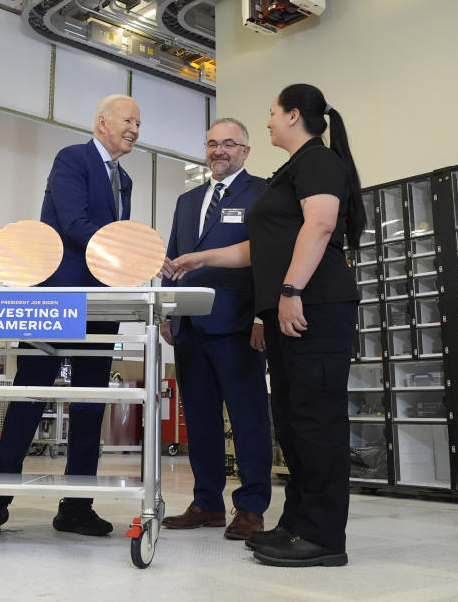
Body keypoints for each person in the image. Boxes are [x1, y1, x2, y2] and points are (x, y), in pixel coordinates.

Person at [166, 84, 363, 567]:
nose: (270, 120)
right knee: (296, 424)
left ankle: (323, 539)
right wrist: (199, 258)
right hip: (286, 309)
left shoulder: (318, 161)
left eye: (273, 114)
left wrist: (291, 291)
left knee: (316, 422)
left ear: (294, 115)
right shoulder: (291, 171)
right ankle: (297, 524)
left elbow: (319, 227)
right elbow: (264, 247)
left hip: (313, 303)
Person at [0, 94, 139, 537]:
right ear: (101, 121)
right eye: (128, 120)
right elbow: (74, 225)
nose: (135, 129)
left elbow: (120, 238)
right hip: (57, 296)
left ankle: (76, 505)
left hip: (103, 303)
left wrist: (132, 266)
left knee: (89, 403)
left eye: (139, 123)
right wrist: (134, 256)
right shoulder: (73, 160)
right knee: (30, 394)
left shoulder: (126, 180)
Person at [159, 117, 272, 541]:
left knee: (248, 421)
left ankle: (251, 507)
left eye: (229, 143)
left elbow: (269, 256)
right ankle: (207, 503)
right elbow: (173, 259)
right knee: (201, 421)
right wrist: (171, 315)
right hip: (190, 327)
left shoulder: (261, 193)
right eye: (212, 143)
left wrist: (263, 315)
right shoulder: (188, 201)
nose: (218, 151)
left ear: (245, 151)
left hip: (239, 325)